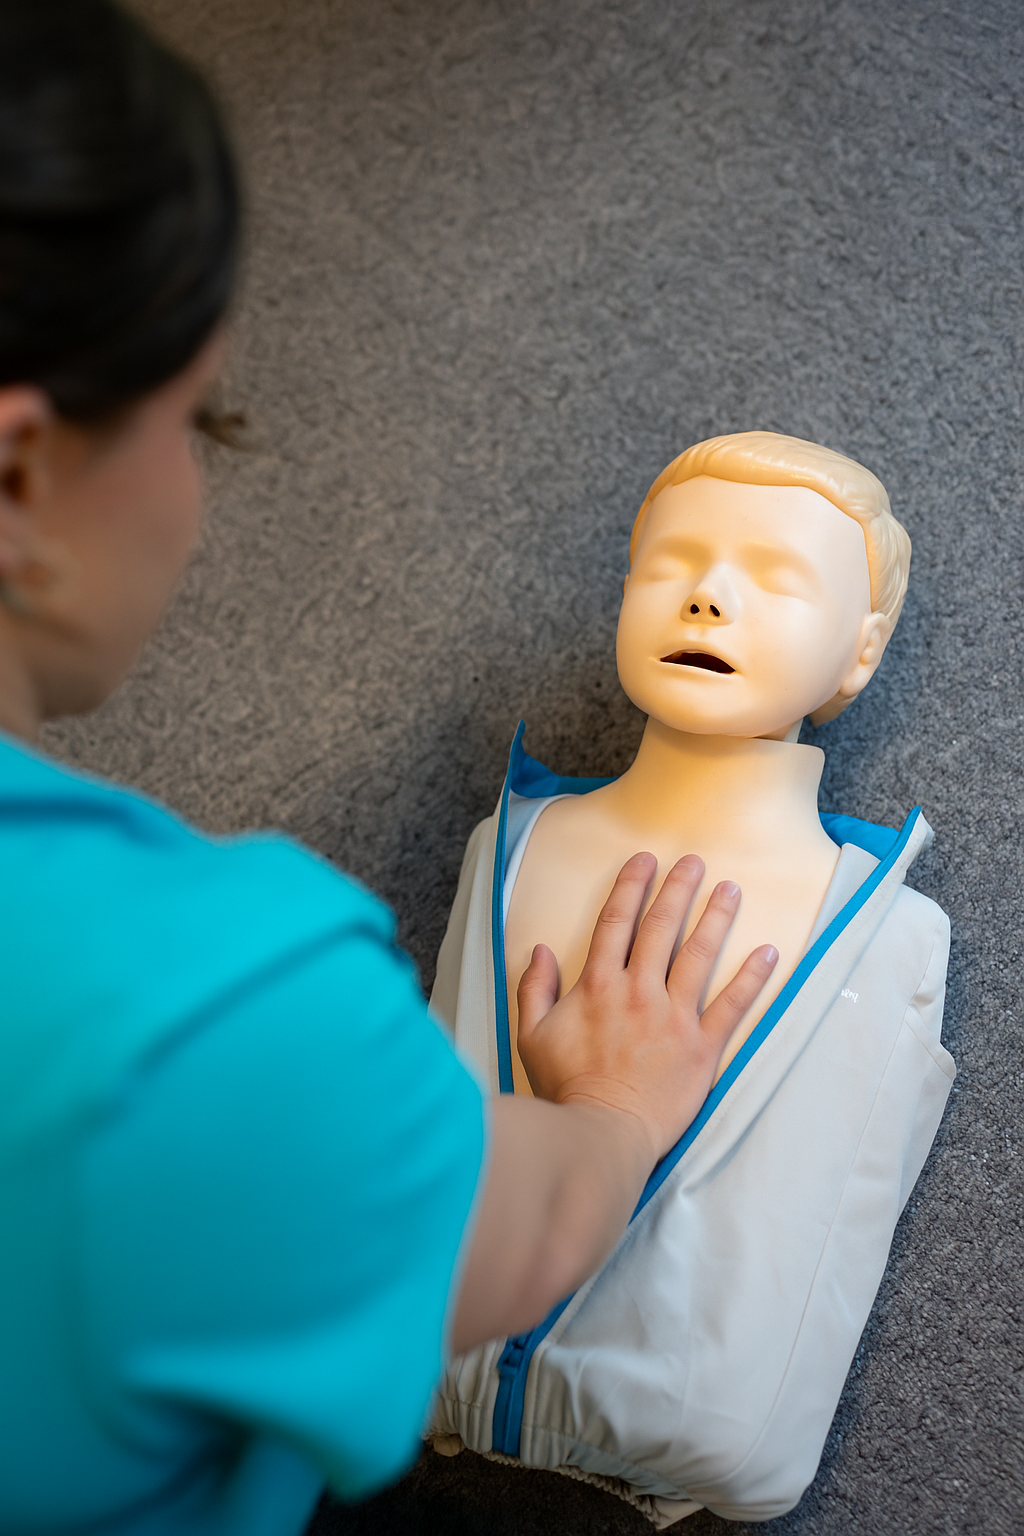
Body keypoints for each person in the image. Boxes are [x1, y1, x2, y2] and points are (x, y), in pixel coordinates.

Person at [0, 5, 778, 1534]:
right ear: (22, 473)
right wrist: (616, 1114)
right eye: (197, 419)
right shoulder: (224, 1018)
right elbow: (529, 1226)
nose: (702, 602)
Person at [430, 435, 955, 1523]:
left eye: (774, 579)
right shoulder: (507, 844)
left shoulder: (882, 936)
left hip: (690, 1434)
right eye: (670, 565)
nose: (708, 597)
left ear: (859, 654)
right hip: (416, 1377)